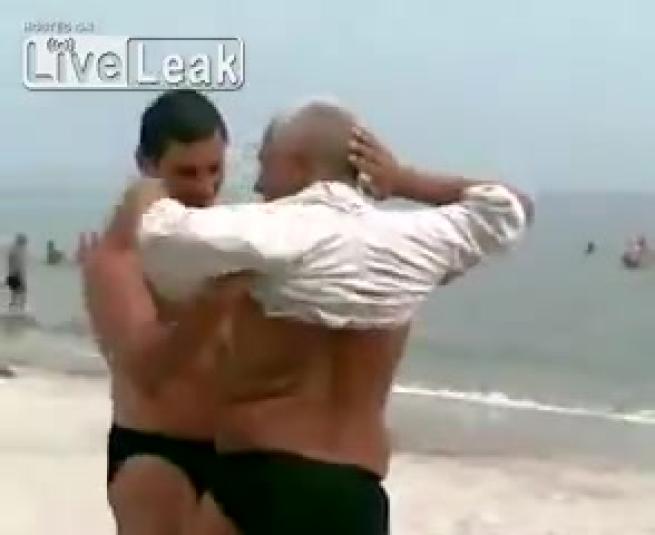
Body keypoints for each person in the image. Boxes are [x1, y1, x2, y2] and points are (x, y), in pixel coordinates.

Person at [115, 100, 533, 534]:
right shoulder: (416, 243)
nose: (258, 184)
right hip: (357, 496)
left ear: (297, 164)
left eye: (265, 165)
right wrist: (403, 180)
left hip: (264, 480)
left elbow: (160, 233)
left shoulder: (269, 231)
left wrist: (150, 188)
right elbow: (509, 208)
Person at [79, 89, 239, 535]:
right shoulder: (120, 255)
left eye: (215, 169)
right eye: (186, 173)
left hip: (235, 452)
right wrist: (214, 301)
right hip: (157, 451)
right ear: (147, 166)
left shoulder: (233, 238)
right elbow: (147, 370)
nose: (205, 189)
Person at [5, 234, 28, 311]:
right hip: (17, 274)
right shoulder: (19, 251)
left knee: (14, 292)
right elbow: (19, 265)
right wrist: (22, 276)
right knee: (23, 291)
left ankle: (13, 306)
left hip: (11, 273)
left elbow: (10, 263)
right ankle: (22, 308)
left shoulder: (12, 249)